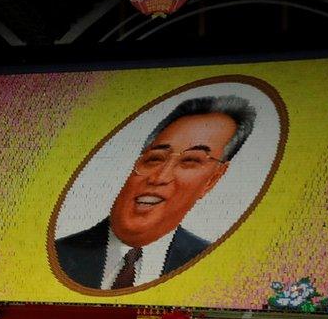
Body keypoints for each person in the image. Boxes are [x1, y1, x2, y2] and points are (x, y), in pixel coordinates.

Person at [55, 95, 257, 289]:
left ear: (213, 179)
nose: (159, 177)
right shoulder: (56, 255)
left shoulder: (218, 267)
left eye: (190, 161)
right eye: (155, 158)